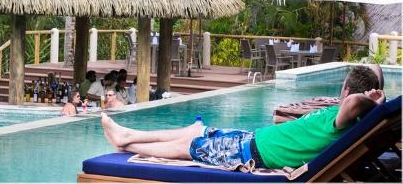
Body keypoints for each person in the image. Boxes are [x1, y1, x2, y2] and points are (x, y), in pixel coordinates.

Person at [101, 66, 384, 169]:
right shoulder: (347, 118)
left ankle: (127, 145)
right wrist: (376, 98)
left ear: (346, 91)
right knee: (196, 129)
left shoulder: (346, 118)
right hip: (252, 141)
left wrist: (369, 100)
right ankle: (129, 135)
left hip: (251, 153)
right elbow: (362, 93)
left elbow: (353, 104)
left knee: (190, 147)